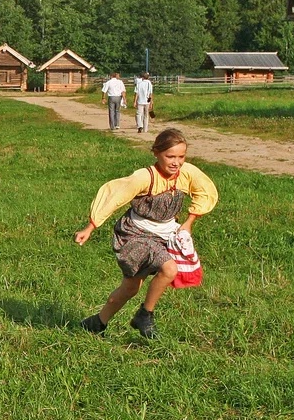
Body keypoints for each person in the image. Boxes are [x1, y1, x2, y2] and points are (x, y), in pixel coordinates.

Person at [75, 128, 218, 339]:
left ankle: (97, 323)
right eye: (170, 156)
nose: (176, 162)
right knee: (170, 269)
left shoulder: (187, 172)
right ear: (156, 153)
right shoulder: (144, 177)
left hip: (164, 234)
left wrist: (189, 222)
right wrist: (91, 226)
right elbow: (115, 196)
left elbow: (206, 191)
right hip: (134, 234)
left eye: (181, 156)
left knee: (130, 288)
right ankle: (145, 315)